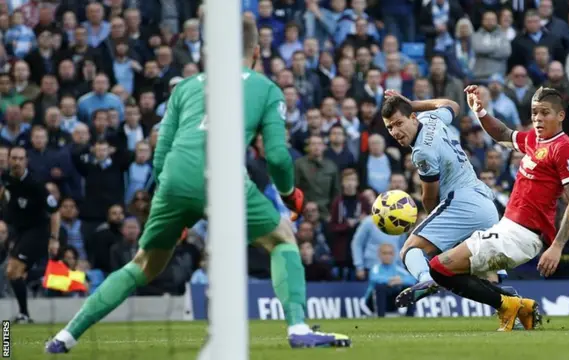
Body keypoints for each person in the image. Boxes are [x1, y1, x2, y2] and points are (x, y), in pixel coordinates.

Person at [46, 18, 350, 353]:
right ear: (258, 51)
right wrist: (289, 194)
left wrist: (171, 201)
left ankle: (65, 337)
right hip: (221, 176)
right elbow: (277, 157)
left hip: (174, 178)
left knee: (143, 263)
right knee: (282, 239)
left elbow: (160, 152)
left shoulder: (186, 87)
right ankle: (298, 327)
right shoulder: (265, 88)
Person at [424, 85, 569, 332]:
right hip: (506, 227)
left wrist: (557, 246)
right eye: (534, 114)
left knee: (439, 267)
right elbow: (502, 133)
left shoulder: (563, 149)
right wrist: (480, 111)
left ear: (561, 115)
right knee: (444, 268)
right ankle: (518, 307)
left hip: (522, 235)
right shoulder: (534, 139)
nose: (538, 119)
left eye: (545, 113)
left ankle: (509, 305)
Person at [379, 90, 504, 309]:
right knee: (484, 273)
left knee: (410, 250)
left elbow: (429, 197)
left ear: (412, 118)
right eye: (390, 127)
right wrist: (412, 103)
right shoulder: (432, 118)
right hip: (485, 203)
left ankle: (426, 279)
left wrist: (432, 224)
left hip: (462, 204)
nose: (395, 131)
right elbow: (451, 104)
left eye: (399, 123)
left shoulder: (422, 153)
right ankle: (517, 310)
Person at [3, 146, 60, 323]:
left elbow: (55, 211)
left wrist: (54, 239)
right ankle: (25, 314)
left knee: (12, 270)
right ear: (9, 160)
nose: (17, 162)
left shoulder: (36, 184)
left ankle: (24, 314)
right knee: (14, 273)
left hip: (37, 232)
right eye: (14, 158)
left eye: (21, 159)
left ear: (26, 161)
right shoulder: (6, 179)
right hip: (19, 232)